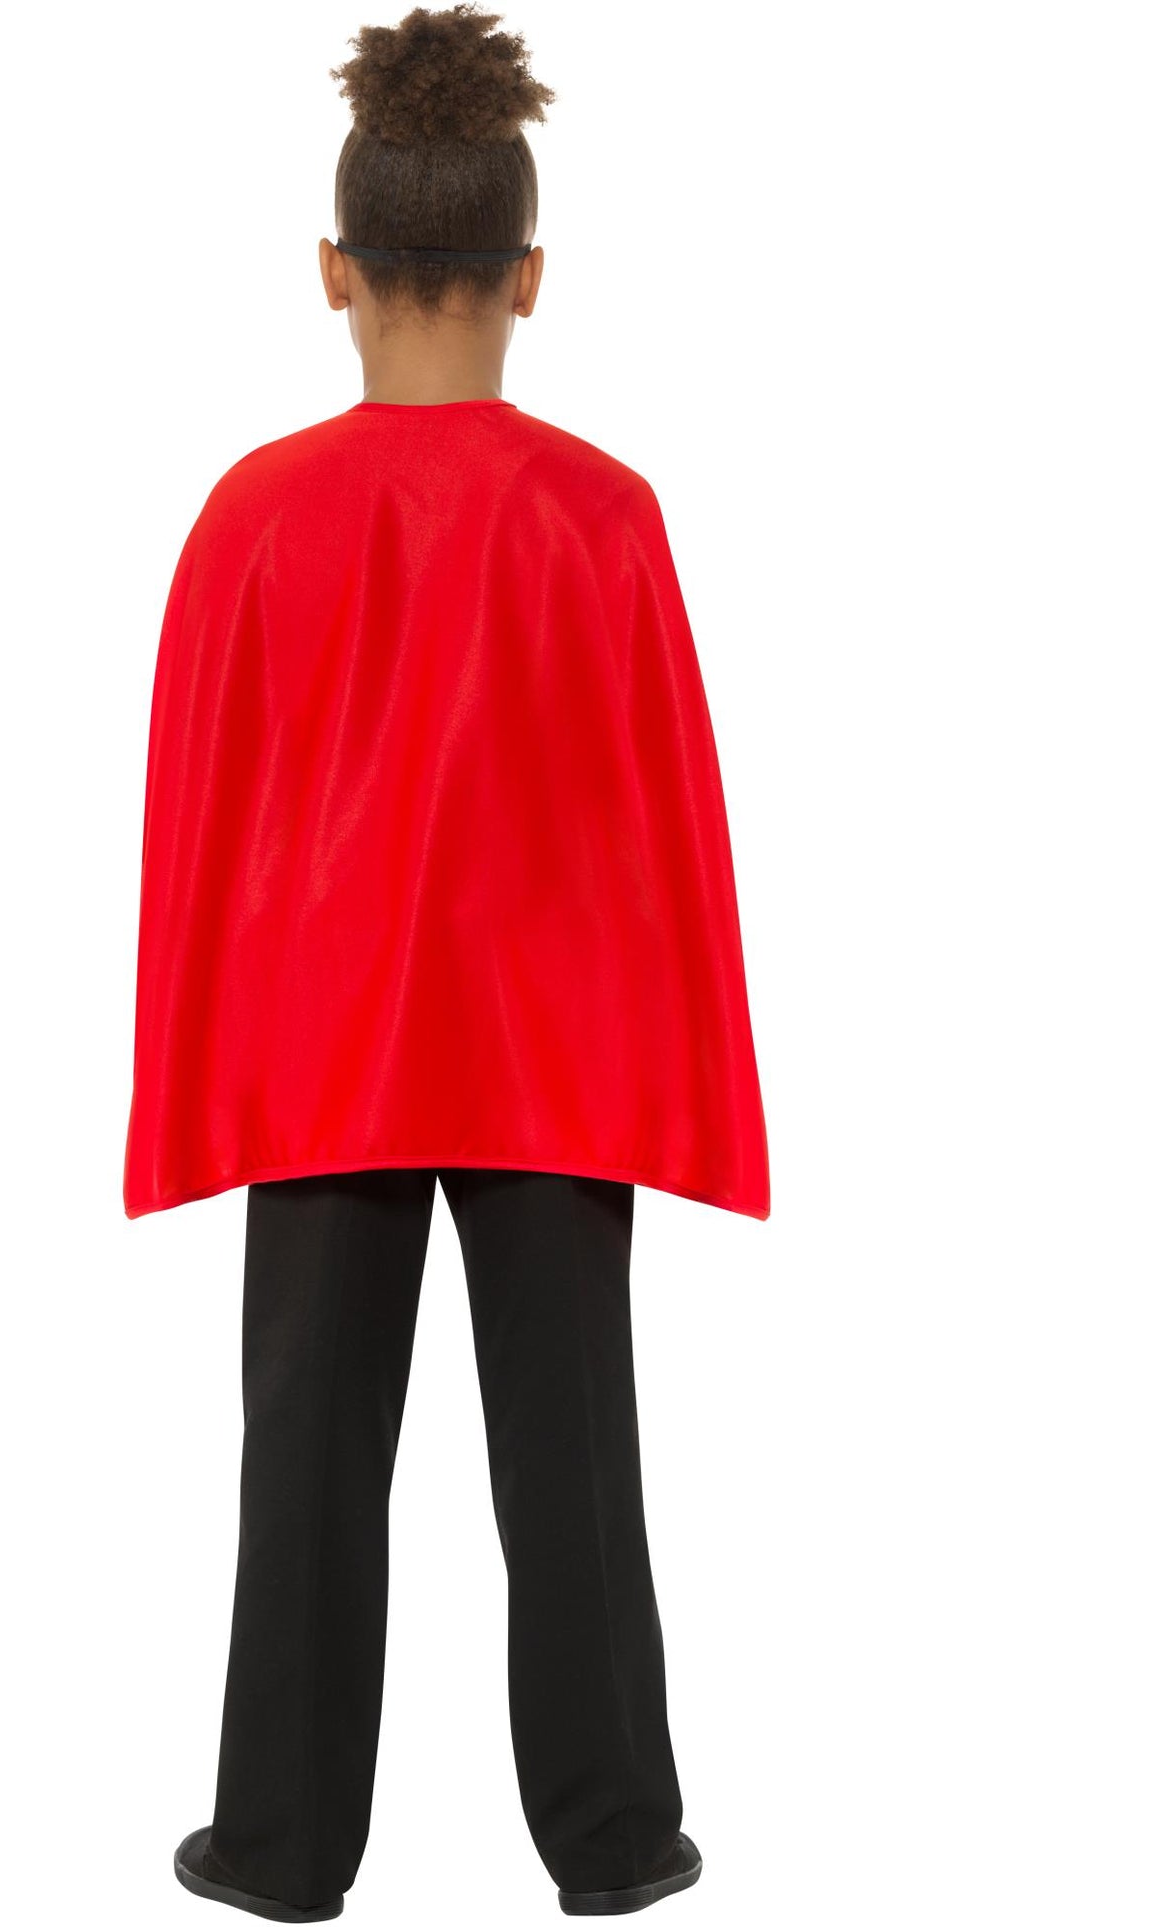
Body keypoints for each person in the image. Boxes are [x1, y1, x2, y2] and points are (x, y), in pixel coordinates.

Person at [123, 6, 770, 1918]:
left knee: (305, 1460)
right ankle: (615, 1839)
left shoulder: (251, 513)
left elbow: (199, 823)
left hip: (322, 1056)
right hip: (550, 1057)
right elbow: (666, 823)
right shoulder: (604, 516)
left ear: (330, 269)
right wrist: (678, 1078)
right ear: (530, 274)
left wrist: (199, 1075)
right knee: (573, 1459)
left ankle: (279, 1846)